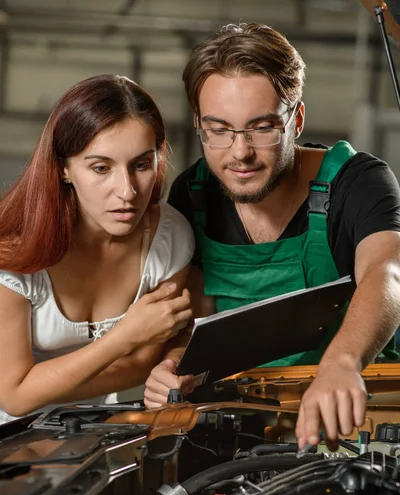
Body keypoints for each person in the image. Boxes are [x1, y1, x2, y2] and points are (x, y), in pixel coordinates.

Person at [144, 22, 400, 450]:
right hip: (241, 424)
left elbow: (387, 270)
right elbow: (195, 316)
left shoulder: (360, 182)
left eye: (261, 128)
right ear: (199, 125)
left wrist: (341, 363)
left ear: (296, 119)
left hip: (359, 416)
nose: (239, 152)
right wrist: (174, 364)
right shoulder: (194, 194)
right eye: (219, 130)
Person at [0, 74, 194, 424]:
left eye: (141, 165)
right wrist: (125, 336)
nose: (127, 191)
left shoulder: (168, 237)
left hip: (87, 433)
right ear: (63, 169)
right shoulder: (11, 252)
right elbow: (13, 399)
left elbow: (140, 366)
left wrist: (38, 386)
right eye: (101, 168)